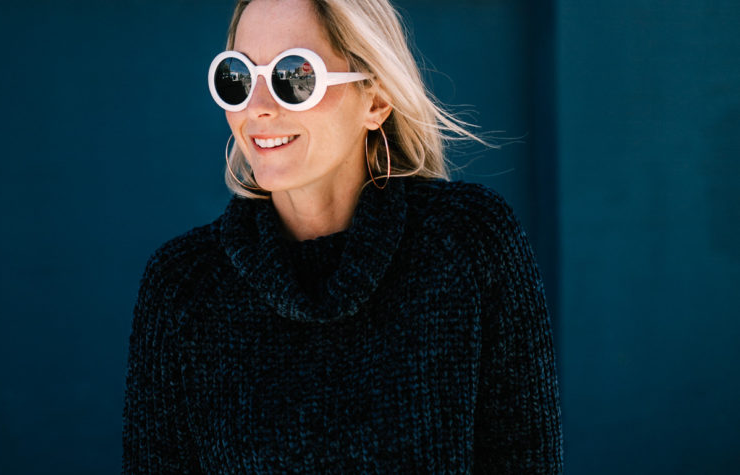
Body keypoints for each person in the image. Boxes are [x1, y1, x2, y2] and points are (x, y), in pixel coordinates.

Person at [122, 0, 563, 472]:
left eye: (295, 76)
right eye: (239, 77)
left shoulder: (469, 243)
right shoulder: (183, 285)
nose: (259, 108)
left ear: (374, 100)